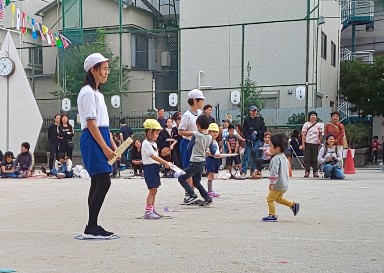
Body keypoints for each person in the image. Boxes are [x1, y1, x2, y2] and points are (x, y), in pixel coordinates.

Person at [77, 52, 116, 239]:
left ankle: (92, 225)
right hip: (93, 138)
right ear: (93, 70)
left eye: (108, 69)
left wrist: (112, 143)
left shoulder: (97, 93)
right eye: (104, 69)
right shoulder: (87, 92)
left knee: (98, 180)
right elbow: (91, 123)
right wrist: (104, 147)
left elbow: (102, 122)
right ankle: (91, 226)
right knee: (103, 180)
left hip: (100, 136)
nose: (107, 72)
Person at [178, 115, 216, 207]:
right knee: (196, 182)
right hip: (203, 161)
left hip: (194, 160)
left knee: (181, 178)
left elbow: (189, 148)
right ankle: (207, 198)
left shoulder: (196, 135)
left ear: (198, 125)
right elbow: (213, 151)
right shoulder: (210, 137)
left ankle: (192, 195)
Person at [262, 134, 300, 222]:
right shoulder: (284, 157)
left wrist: (272, 183)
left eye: (271, 146)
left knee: (270, 199)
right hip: (284, 184)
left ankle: (272, 215)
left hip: (277, 184)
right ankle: (292, 205)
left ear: (277, 148)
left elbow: (274, 172)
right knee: (278, 199)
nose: (269, 148)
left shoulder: (275, 159)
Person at [141, 119, 171, 219]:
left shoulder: (153, 143)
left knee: (155, 189)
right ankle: (148, 211)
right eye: (156, 133)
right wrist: (164, 162)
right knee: (152, 189)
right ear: (149, 132)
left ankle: (152, 209)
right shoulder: (146, 143)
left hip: (154, 167)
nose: (158, 135)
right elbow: (153, 156)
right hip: (149, 167)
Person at [178, 89, 205, 200]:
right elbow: (180, 131)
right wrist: (194, 133)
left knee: (196, 169)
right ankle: (188, 194)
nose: (202, 102)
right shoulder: (187, 115)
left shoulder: (199, 113)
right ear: (195, 100)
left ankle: (192, 193)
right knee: (188, 169)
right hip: (187, 144)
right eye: (201, 100)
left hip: (196, 144)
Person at [241, 105, 266, 179]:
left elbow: (263, 129)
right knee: (247, 155)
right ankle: (243, 171)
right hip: (249, 140)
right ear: (250, 111)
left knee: (255, 155)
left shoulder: (260, 120)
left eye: (255, 111)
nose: (254, 112)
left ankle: (253, 171)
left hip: (257, 140)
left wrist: (257, 133)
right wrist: (248, 138)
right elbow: (244, 130)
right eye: (252, 111)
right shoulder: (246, 120)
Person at [301, 111, 322, 178]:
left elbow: (320, 134)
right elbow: (303, 134)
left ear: (316, 117)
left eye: (314, 115)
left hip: (315, 143)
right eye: (311, 115)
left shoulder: (319, 125)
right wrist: (303, 144)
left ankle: (315, 171)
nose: (313, 117)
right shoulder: (306, 124)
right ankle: (307, 171)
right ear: (309, 117)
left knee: (315, 158)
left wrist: (320, 141)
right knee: (307, 158)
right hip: (307, 143)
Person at [206, 123, 221, 198]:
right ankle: (209, 191)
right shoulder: (208, 141)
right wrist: (214, 155)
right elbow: (207, 152)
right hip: (210, 159)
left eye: (216, 132)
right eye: (213, 132)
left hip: (216, 159)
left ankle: (211, 190)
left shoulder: (215, 141)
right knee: (210, 174)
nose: (215, 134)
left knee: (212, 175)